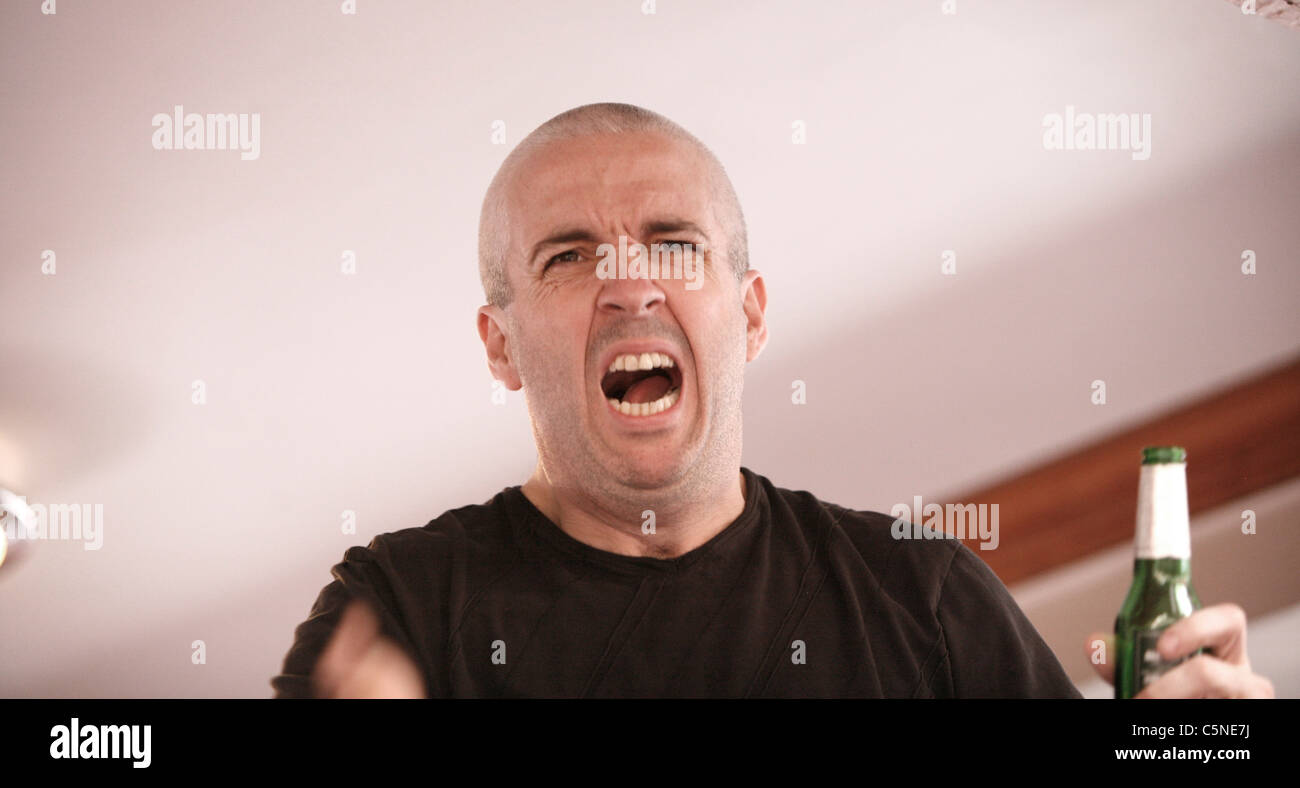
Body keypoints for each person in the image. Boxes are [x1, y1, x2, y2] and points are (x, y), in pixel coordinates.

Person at [271, 103, 1274, 699]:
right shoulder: (401, 608)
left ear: (748, 316)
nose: (630, 282)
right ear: (500, 345)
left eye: (673, 241)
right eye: (568, 255)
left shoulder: (917, 595)